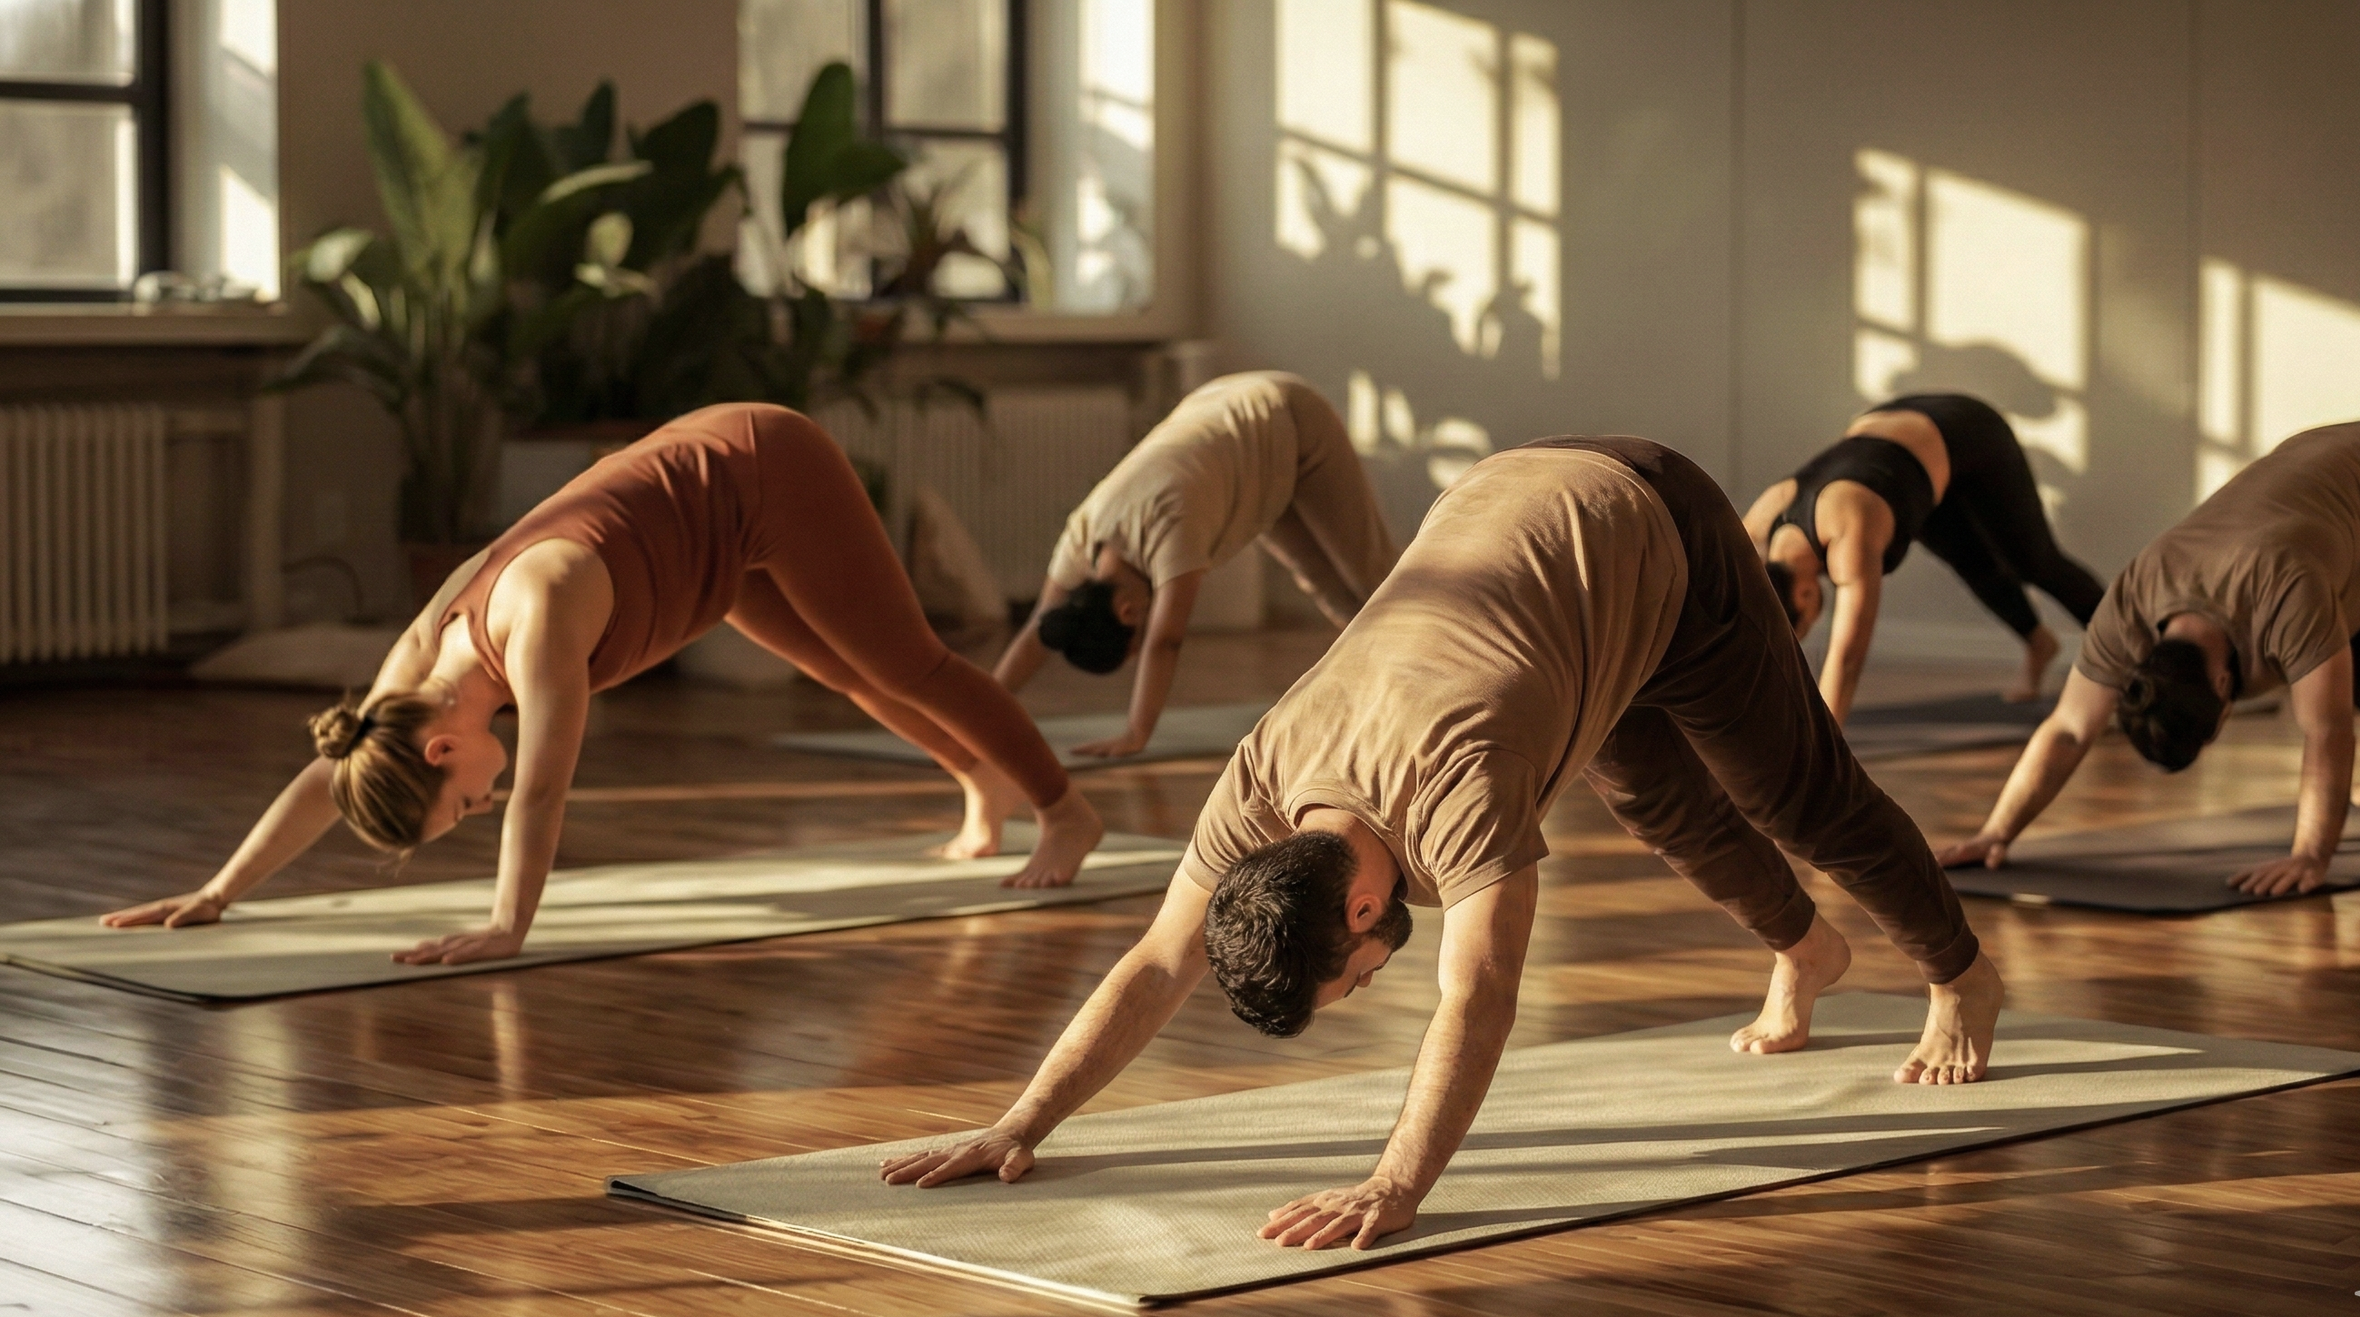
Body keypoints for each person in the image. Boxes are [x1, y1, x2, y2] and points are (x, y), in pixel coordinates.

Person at [882, 435, 2003, 1250]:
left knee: (1795, 797)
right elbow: (1158, 960)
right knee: (1656, 803)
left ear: (1360, 911)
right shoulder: (1262, 781)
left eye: (1351, 981)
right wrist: (1023, 1119)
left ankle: (1959, 976)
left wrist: (1394, 1183)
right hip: (1528, 538)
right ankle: (1806, 951)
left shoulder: (1456, 786)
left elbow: (1478, 995)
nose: (1372, 985)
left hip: (1652, 520)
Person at [99, 404, 1105, 963]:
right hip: (708, 545)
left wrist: (508, 927)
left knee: (906, 661)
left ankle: (1062, 811)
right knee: (849, 677)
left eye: (464, 803)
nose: (483, 804)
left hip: (761, 469)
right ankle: (982, 785)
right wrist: (220, 890)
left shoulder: (535, 623)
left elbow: (540, 791)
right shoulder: (407, 685)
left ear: (444, 749)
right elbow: (333, 772)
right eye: (468, 816)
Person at [1941, 421, 2360, 898]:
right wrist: (1995, 832)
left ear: (2224, 686)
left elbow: (2327, 730)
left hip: (2338, 474)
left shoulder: (2285, 591)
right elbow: (2070, 729)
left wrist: (2310, 855)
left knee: (2330, 687)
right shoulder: (2132, 602)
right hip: (2322, 482)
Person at [994, 372, 1397, 756]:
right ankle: (1400, 690)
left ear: (1128, 611)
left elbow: (1166, 639)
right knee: (1325, 586)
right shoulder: (1081, 538)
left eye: (1133, 642)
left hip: (1286, 413)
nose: (1141, 644)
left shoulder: (1170, 528)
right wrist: (979, 719)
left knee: (1374, 576)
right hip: (1242, 429)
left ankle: (1450, 673)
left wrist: (1137, 733)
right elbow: (1037, 631)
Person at [1743, 393, 2107, 721]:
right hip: (1901, 443)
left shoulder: (1850, 535)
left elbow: (1847, 656)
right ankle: (2039, 643)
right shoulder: (1755, 529)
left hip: (1966, 428)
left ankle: (2131, 654)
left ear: (1803, 596)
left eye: (1805, 626)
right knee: (1971, 563)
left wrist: (1819, 750)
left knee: (2035, 562)